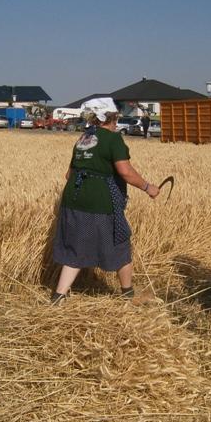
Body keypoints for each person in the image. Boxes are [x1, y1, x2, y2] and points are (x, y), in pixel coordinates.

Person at [51, 97, 160, 303]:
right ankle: (128, 296)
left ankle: (58, 297)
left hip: (72, 201)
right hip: (100, 202)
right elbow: (125, 172)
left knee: (76, 247)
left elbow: (68, 175)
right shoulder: (113, 139)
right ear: (112, 117)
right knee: (120, 242)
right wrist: (148, 187)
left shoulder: (83, 139)